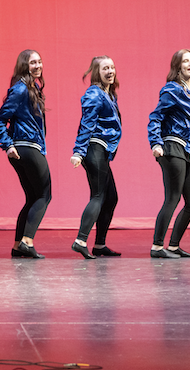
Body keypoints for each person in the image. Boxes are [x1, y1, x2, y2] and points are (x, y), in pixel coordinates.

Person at [147, 49, 190, 259]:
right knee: (172, 198)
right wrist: (155, 143)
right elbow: (155, 117)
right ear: (177, 67)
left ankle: (173, 245)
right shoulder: (172, 89)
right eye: (185, 61)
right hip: (171, 147)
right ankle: (157, 247)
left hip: (184, 150)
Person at [0, 50, 50, 259]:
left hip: (27, 147)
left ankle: (18, 245)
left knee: (33, 197)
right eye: (32, 62)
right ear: (24, 66)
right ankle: (27, 241)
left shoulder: (32, 88)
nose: (37, 66)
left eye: (39, 62)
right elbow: (0, 119)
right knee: (44, 195)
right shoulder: (20, 89)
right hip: (27, 147)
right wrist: (7, 145)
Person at [69, 56, 122, 259]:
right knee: (98, 195)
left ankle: (99, 244)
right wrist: (78, 152)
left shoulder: (108, 94)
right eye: (105, 68)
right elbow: (86, 124)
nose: (110, 71)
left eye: (112, 67)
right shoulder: (94, 93)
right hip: (94, 148)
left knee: (111, 197)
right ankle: (80, 241)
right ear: (96, 72)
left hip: (103, 150)